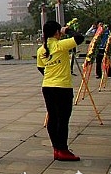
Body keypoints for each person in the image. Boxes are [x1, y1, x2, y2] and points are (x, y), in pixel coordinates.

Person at [36, 20, 85, 161]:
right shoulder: (61, 45)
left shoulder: (41, 50)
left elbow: (40, 67)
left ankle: (56, 148)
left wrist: (51, 76)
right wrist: (67, 30)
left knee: (53, 118)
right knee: (63, 119)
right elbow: (80, 38)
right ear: (57, 32)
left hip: (47, 86)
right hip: (62, 87)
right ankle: (62, 149)